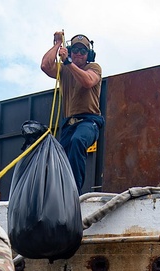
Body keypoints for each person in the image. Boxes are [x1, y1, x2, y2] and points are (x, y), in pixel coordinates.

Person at [40, 31, 103, 192]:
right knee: (59, 156)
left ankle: (74, 192)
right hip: (68, 124)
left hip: (89, 121)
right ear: (70, 51)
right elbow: (45, 66)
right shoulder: (64, 69)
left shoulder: (94, 67)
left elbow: (88, 81)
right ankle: (57, 191)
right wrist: (57, 44)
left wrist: (68, 62)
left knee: (78, 141)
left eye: (83, 51)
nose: (79, 54)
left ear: (88, 54)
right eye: (75, 50)